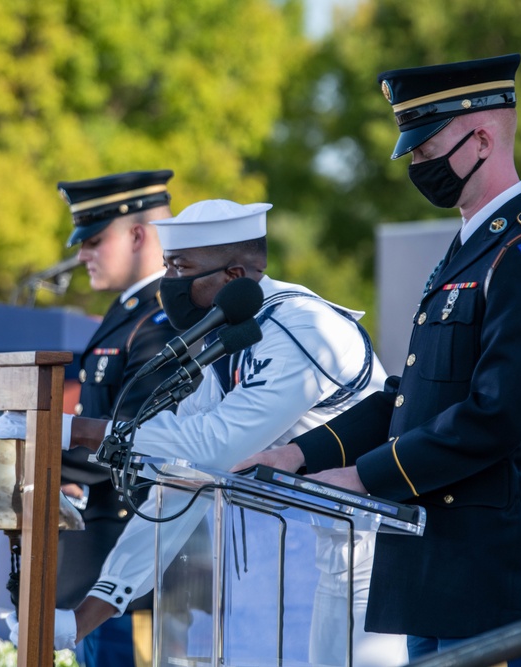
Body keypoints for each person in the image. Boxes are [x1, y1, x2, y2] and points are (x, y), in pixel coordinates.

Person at [233, 53, 521, 665]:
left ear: (482, 136)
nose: (417, 163)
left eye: (426, 147)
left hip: (490, 571)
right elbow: (408, 400)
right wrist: (295, 454)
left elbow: (494, 416)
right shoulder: (466, 253)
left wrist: (364, 476)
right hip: (431, 565)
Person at [61, 198, 405, 666]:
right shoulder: (235, 336)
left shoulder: (303, 327)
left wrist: (77, 431)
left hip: (381, 560)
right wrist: (89, 612)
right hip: (325, 556)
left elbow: (211, 447)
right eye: (166, 266)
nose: (170, 283)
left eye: (182, 267)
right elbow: (181, 476)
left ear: (235, 277)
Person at [56, 169, 181, 666]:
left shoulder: (166, 317)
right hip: (98, 563)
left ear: (136, 234)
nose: (81, 254)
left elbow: (138, 441)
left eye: (93, 240)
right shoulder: (125, 311)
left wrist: (35, 459)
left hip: (136, 570)